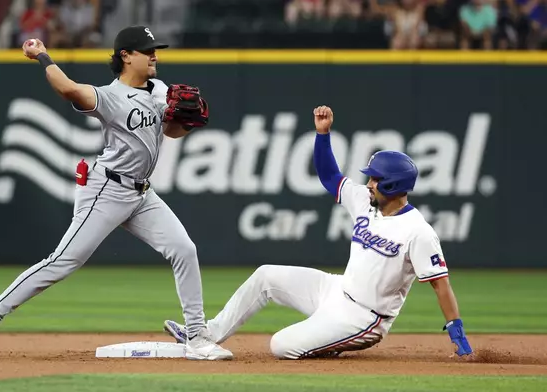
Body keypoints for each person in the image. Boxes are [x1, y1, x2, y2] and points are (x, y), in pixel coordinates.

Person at [0, 25, 233, 361]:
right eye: (147, 51)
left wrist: (187, 123)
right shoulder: (110, 96)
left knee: (184, 249)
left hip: (141, 195)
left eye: (155, 50)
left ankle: (197, 336)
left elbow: (171, 132)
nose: (154, 55)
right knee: (63, 262)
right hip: (106, 189)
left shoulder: (159, 90)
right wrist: (42, 55)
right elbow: (69, 89)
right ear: (126, 56)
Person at [162, 105, 473, 360]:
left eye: (375, 179)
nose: (369, 184)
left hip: (365, 317)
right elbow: (329, 176)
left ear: (392, 185)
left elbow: (440, 285)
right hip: (335, 290)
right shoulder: (365, 201)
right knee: (266, 275)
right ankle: (205, 335)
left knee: (281, 346)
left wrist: (456, 330)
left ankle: (331, 343)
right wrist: (322, 134)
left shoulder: (418, 231)